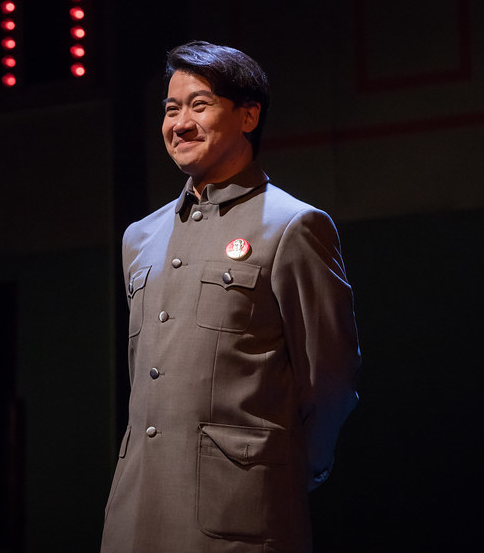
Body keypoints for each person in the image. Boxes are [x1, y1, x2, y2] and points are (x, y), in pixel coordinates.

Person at [101, 42, 361, 552]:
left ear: (248, 115)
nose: (180, 123)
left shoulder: (292, 225)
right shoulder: (141, 237)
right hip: (135, 513)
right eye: (172, 109)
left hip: (240, 515)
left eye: (200, 105)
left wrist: (282, 471)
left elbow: (330, 377)